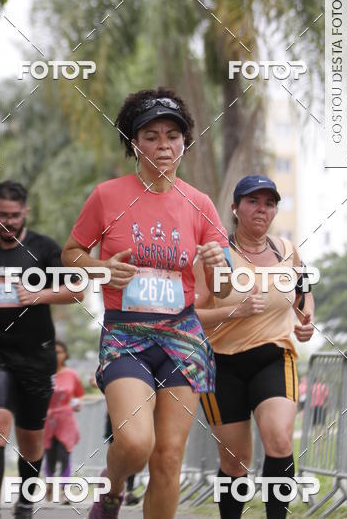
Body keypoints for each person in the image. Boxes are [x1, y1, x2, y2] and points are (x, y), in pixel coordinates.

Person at [62, 88, 232, 519]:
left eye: (173, 136)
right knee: (136, 442)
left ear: (185, 142)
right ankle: (114, 488)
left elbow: (224, 288)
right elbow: (71, 253)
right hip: (126, 333)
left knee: (168, 457)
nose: (163, 146)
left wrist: (219, 265)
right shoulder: (107, 196)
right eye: (152, 136)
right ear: (134, 143)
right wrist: (102, 268)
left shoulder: (200, 204)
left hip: (182, 336)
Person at [0, 180, 83, 519]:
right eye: (2, 215)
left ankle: (25, 502)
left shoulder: (43, 248)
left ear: (25, 212)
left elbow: (77, 290)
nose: (8, 222)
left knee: (31, 438)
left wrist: (38, 295)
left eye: (15, 215)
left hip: (36, 353)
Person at [195, 175, 315, 519]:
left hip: (274, 357)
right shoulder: (215, 255)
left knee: (279, 440)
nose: (262, 209)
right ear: (235, 208)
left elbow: (304, 295)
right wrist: (235, 312)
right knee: (235, 462)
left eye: (269, 203)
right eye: (253, 201)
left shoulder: (288, 251)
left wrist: (306, 321)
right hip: (221, 365)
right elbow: (190, 316)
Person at [43, 341, 84, 502]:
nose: (56, 355)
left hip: (66, 420)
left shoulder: (72, 375)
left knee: (64, 453)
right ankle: (50, 483)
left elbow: (79, 395)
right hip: (48, 419)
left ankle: (64, 490)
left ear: (65, 354)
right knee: (50, 456)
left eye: (59, 352)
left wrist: (78, 403)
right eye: (53, 352)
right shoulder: (43, 375)